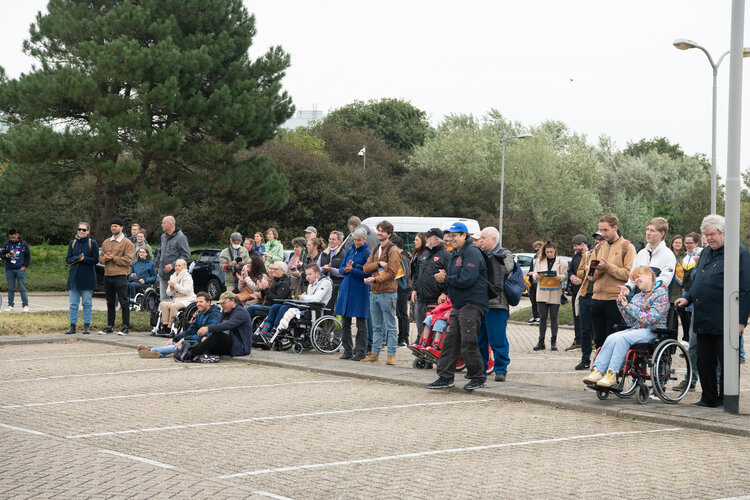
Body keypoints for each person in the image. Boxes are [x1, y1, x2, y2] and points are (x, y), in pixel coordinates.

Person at [676, 215, 750, 408]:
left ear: (723, 232)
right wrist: (688, 298)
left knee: (727, 362)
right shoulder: (706, 252)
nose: (709, 238)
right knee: (704, 359)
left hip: (726, 316)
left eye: (712, 234)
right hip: (703, 315)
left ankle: (727, 398)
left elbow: (745, 288)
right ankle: (708, 398)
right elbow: (699, 280)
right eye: (706, 235)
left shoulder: (738, 252)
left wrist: (741, 321)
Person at [583, 266, 670, 387]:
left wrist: (628, 306)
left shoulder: (661, 294)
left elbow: (649, 319)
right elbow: (630, 320)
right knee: (611, 338)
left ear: (649, 275)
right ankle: (598, 370)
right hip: (635, 329)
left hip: (653, 331)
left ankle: (612, 373)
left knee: (622, 339)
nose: (636, 280)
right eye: (634, 279)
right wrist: (622, 305)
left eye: (638, 276)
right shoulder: (638, 296)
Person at [427, 222, 489, 391]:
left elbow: (467, 279)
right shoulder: (456, 253)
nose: (450, 238)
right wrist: (445, 279)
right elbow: (455, 278)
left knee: (468, 342)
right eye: (449, 235)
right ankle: (445, 377)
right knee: (450, 342)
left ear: (464, 235)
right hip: (459, 304)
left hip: (472, 303)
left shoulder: (472, 253)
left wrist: (445, 279)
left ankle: (478, 377)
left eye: (455, 235)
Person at [589, 214, 635, 348]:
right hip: (596, 299)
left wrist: (608, 267)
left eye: (606, 230)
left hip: (614, 300)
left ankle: (612, 368)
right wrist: (599, 271)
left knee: (613, 340)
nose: (603, 234)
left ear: (615, 228)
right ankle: (599, 367)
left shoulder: (627, 247)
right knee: (598, 341)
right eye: (601, 230)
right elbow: (590, 276)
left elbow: (629, 275)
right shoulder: (598, 248)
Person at [476, 226, 514, 381]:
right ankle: (481, 369)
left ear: (493, 239)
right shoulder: (480, 254)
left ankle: (500, 370)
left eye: (483, 238)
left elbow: (505, 270)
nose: (480, 241)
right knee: (480, 339)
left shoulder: (505, 254)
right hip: (480, 303)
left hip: (497, 304)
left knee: (498, 339)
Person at [362, 220, 402, 365]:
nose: (379, 233)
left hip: (388, 292)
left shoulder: (394, 250)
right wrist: (378, 264)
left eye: (382, 231)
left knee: (390, 325)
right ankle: (375, 353)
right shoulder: (375, 249)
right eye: (378, 230)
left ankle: (391, 355)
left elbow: (391, 273)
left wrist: (375, 279)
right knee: (376, 326)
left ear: (389, 234)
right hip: (375, 292)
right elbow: (366, 268)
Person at [256, 263, 333, 335]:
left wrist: (304, 297)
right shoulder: (311, 284)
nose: (307, 277)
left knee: (284, 307)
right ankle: (264, 331)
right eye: (306, 275)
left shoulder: (325, 283)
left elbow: (317, 299)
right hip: (307, 306)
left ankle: (275, 331)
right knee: (275, 306)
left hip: (315, 310)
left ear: (317, 274)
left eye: (310, 274)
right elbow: (311, 297)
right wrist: (305, 297)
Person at [139, 292, 220, 358]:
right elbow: (190, 331)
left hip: (207, 343)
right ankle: (160, 354)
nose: (198, 304)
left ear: (208, 302)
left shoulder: (214, 315)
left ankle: (153, 350)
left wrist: (185, 339)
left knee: (182, 346)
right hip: (197, 340)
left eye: (201, 302)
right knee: (176, 343)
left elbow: (207, 336)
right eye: (197, 302)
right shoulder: (200, 314)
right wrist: (175, 339)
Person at [334, 228, 371, 361]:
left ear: (365, 240)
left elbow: (368, 273)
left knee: (361, 322)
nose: (356, 242)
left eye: (359, 240)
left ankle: (361, 351)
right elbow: (341, 269)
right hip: (346, 289)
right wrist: (347, 269)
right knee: (345, 321)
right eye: (355, 240)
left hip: (360, 289)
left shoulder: (368, 253)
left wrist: (353, 270)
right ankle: (347, 350)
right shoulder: (349, 250)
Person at [620, 217, 675, 298]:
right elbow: (633, 276)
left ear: (662, 234)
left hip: (657, 305)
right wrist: (628, 287)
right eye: (647, 229)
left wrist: (644, 283)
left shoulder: (669, 255)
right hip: (638, 304)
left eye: (652, 230)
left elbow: (665, 281)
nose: (648, 233)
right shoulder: (641, 253)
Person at [98, 218, 135, 335]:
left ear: (122, 227)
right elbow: (101, 259)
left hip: (121, 275)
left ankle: (125, 326)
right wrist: (106, 258)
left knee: (124, 301)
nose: (114, 228)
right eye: (112, 226)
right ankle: (110, 325)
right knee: (110, 302)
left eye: (116, 226)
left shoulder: (127, 243)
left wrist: (114, 258)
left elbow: (128, 260)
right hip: (108, 275)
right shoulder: (106, 242)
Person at [411, 228, 450, 335]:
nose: (426, 239)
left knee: (432, 330)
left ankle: (431, 350)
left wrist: (445, 293)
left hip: (435, 300)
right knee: (420, 329)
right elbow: (417, 274)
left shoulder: (446, 256)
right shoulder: (424, 254)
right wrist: (414, 289)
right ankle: (419, 347)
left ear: (435, 239)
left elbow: (451, 276)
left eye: (428, 237)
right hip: (421, 299)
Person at [192, 291, 253, 360]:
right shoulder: (225, 311)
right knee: (208, 341)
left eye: (224, 303)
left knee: (217, 336)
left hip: (240, 347)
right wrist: (207, 338)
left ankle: (192, 354)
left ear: (232, 300)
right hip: (228, 343)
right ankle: (201, 354)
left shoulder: (241, 312)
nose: (222, 305)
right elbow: (219, 326)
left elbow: (227, 325)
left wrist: (208, 328)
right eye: (221, 303)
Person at [530, 241, 568, 351]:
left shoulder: (561, 262)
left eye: (551, 252)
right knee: (542, 318)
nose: (549, 254)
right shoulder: (539, 261)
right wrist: (537, 276)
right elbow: (534, 274)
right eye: (547, 252)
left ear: (555, 250)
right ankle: (541, 341)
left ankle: (553, 341)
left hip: (555, 292)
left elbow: (565, 276)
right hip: (542, 291)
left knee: (554, 317)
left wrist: (560, 277)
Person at [64, 222, 99, 334]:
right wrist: (77, 258)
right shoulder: (72, 243)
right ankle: (73, 325)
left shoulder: (92, 243)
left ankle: (86, 325)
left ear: (88, 231)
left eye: (84, 230)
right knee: (73, 303)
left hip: (87, 278)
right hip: (74, 278)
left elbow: (96, 259)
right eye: (79, 229)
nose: (81, 231)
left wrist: (85, 259)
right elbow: (68, 259)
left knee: (87, 303)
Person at [574, 233, 599, 370]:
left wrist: (590, 269)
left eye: (600, 238)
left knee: (599, 332)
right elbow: (579, 272)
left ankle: (600, 361)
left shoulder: (606, 255)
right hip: (585, 295)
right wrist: (585, 270)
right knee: (585, 330)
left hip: (599, 296)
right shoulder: (587, 255)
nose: (598, 241)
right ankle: (585, 359)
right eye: (596, 239)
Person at [157, 258, 196, 335]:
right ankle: (164, 325)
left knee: (174, 306)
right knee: (164, 304)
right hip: (177, 299)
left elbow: (187, 291)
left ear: (184, 267)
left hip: (188, 299)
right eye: (176, 266)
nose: (177, 267)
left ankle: (170, 326)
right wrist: (171, 289)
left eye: (179, 266)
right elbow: (168, 293)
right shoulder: (173, 276)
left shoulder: (187, 277)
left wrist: (175, 286)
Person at [156, 216, 190, 300]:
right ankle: (163, 313)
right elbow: (159, 251)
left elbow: (186, 255)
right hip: (163, 274)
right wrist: (156, 264)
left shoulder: (181, 238)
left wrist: (172, 265)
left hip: (176, 275)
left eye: (163, 223)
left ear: (170, 224)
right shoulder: (163, 237)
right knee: (164, 298)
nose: (161, 225)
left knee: (176, 299)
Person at [565, 234, 588, 351]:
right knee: (576, 317)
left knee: (585, 318)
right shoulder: (575, 257)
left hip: (586, 292)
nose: (574, 248)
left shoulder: (590, 255)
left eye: (575, 246)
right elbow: (569, 271)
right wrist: (572, 277)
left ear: (582, 244)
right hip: (574, 291)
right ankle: (577, 340)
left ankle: (589, 341)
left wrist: (581, 280)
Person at [1, 228, 31, 313]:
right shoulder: (6, 244)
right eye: (11, 237)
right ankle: (10, 306)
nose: (12, 239)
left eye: (14, 237)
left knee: (22, 287)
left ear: (17, 235)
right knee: (11, 288)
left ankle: (25, 305)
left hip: (20, 269)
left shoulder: (23, 244)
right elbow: (1, 255)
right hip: (9, 269)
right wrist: (6, 255)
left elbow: (28, 255)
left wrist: (25, 265)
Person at [391, 235, 412, 347]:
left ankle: (404, 338)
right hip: (402, 288)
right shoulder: (404, 256)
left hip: (403, 288)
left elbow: (406, 274)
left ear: (396, 246)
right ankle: (401, 337)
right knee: (400, 313)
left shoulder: (402, 258)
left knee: (402, 314)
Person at [321, 231, 346, 308]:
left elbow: (344, 272)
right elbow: (316, 268)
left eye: (333, 239)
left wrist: (331, 270)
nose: (331, 241)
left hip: (338, 286)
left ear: (339, 242)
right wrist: (323, 269)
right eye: (330, 239)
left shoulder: (344, 254)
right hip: (324, 285)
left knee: (335, 309)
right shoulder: (324, 253)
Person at [526, 240, 544, 324]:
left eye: (538, 249)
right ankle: (535, 316)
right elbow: (531, 267)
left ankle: (540, 316)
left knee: (539, 300)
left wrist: (535, 273)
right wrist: (529, 275)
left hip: (539, 281)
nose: (537, 251)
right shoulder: (534, 257)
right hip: (532, 281)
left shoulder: (543, 258)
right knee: (532, 299)